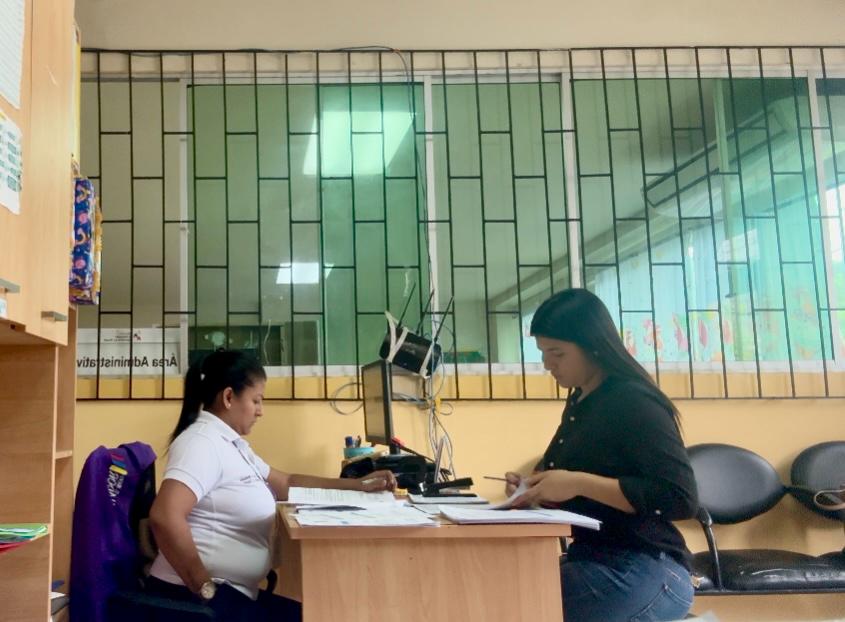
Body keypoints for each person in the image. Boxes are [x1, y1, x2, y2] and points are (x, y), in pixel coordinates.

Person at [148, 349, 396, 621]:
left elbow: (286, 483)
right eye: (256, 400)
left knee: (321, 613)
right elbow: (165, 516)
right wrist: (205, 589)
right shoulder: (202, 443)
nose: (261, 411)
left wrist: (358, 485)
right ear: (228, 397)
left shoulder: (231, 445)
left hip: (230, 594)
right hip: (195, 601)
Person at [507, 289, 699, 622]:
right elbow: (571, 481)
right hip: (594, 558)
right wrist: (534, 489)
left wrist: (578, 483)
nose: (548, 364)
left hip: (647, 567)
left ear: (593, 346)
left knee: (515, 607)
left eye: (557, 353)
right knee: (502, 590)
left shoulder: (632, 401)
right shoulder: (581, 400)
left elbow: (679, 498)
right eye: (543, 353)